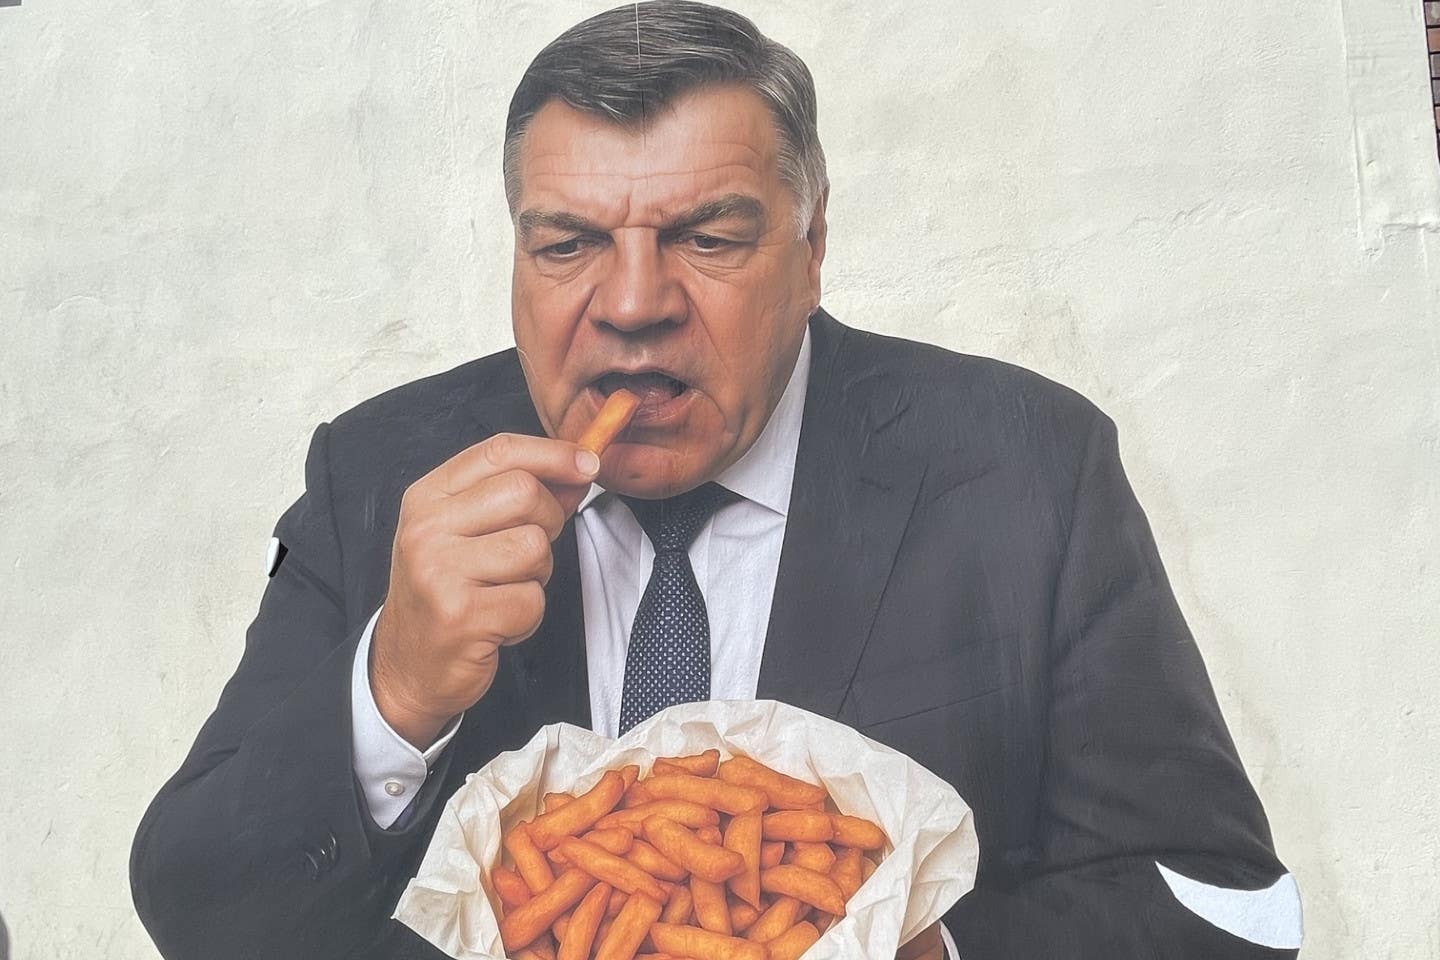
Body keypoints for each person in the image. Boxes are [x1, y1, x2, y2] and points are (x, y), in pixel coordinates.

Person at [130, 3, 1300, 958]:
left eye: (709, 237)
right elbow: (202, 915)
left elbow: (1233, 911)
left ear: (813, 245)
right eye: (569, 243)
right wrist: (392, 696)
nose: (634, 305)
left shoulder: (1026, 467)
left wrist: (929, 952)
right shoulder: (384, 474)